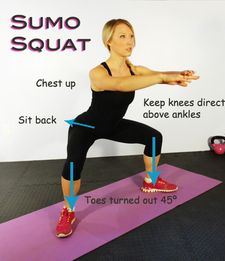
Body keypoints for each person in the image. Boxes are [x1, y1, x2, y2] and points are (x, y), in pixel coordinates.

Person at [56, 19, 200, 238]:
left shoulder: (135, 69)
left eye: (131, 35)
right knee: (74, 165)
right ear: (108, 41)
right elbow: (121, 85)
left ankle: (151, 182)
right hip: (87, 126)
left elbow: (159, 75)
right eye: (122, 36)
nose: (129, 41)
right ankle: (68, 210)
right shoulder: (98, 73)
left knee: (153, 138)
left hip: (113, 125)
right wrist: (161, 77)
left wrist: (178, 75)